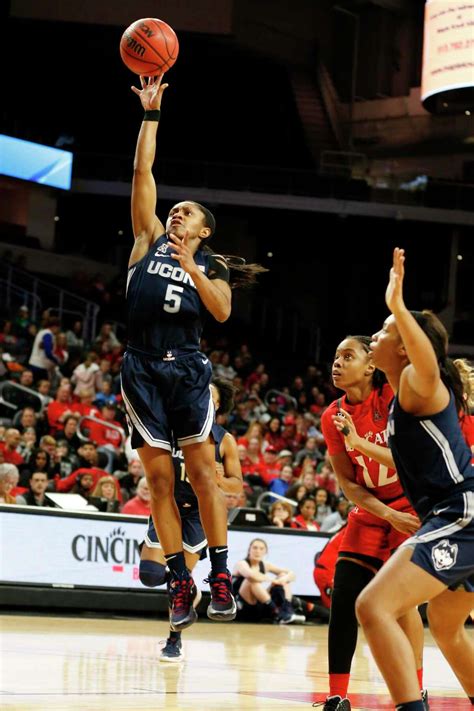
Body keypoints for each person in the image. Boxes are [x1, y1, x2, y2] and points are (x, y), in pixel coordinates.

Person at [121, 74, 266, 631]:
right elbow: (142, 173)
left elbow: (224, 311)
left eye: (187, 213)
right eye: (174, 210)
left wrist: (190, 268)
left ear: (205, 231)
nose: (176, 214)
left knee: (203, 476)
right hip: (139, 367)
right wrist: (150, 115)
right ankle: (182, 581)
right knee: (159, 481)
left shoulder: (211, 266)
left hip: (186, 370)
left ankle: (221, 574)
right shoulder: (145, 239)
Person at [355, 248, 474, 711]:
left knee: (373, 607)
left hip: (460, 512)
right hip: (451, 513)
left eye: (384, 331)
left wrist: (400, 309)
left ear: (405, 343)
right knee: (445, 626)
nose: (375, 334)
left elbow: (427, 362)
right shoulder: (397, 396)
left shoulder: (415, 380)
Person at [319, 333, 426, 711]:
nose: (337, 362)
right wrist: (384, 514)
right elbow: (348, 483)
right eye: (335, 356)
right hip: (373, 512)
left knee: (401, 605)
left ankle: (416, 692)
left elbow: (411, 460)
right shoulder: (332, 416)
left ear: (370, 365)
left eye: (347, 356)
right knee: (344, 598)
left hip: (412, 505)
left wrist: (361, 443)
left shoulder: (394, 398)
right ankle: (336, 696)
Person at [138, 379, 242, 661]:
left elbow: (237, 486)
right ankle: (188, 586)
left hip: (198, 515)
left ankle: (174, 640)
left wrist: (220, 477)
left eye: (209, 395)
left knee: (177, 583)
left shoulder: (224, 439)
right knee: (150, 574)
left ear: (217, 406)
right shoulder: (171, 428)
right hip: (169, 507)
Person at [232, 538, 305, 624]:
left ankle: (287, 609)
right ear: (249, 550)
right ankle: (277, 613)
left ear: (265, 552)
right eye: (255, 548)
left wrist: (282, 579)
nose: (257, 551)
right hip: (241, 606)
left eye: (261, 549)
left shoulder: (266, 565)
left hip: (259, 606)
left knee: (282, 575)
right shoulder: (241, 564)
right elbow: (251, 575)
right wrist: (273, 580)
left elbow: (292, 575)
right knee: (251, 581)